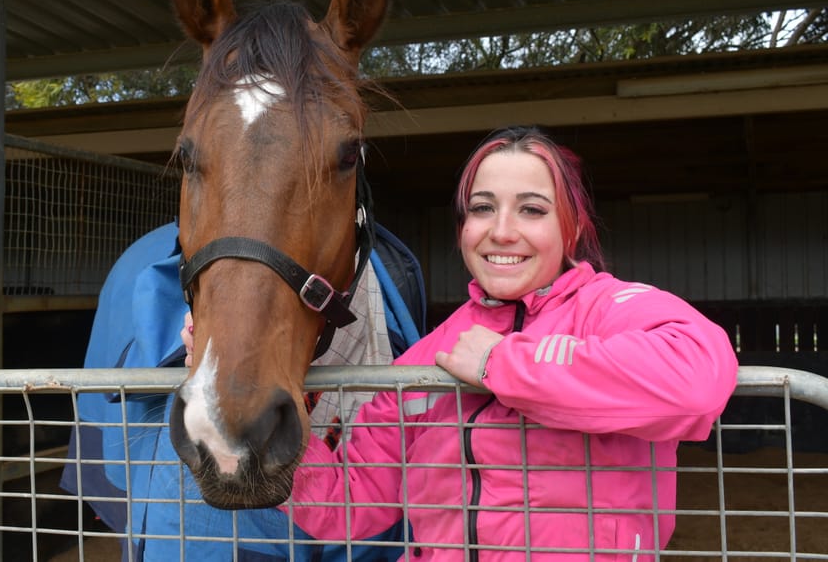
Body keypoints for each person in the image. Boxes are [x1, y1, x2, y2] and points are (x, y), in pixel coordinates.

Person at [181, 125, 739, 560]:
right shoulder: (430, 357)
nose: (502, 231)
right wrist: (257, 399)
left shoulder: (613, 309)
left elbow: (696, 380)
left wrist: (501, 364)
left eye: (532, 210)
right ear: (463, 228)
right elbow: (346, 504)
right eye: (482, 208)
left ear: (570, 228)